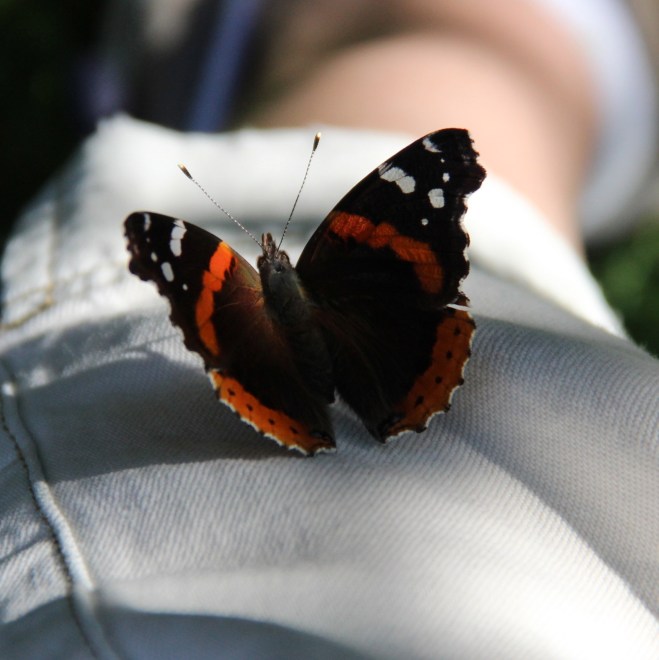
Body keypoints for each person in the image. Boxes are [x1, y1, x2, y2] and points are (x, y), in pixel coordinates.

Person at [1, 1, 657, 657]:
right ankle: (549, 56)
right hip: (392, 353)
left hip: (257, 396)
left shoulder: (222, 274)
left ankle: (453, 62)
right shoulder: (340, 244)